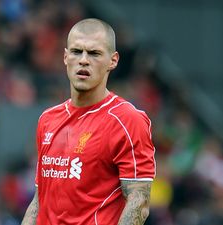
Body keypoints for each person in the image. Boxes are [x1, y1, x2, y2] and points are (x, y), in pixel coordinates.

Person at [21, 18, 156, 225]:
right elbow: (39, 201)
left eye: (94, 53)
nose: (83, 60)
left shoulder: (127, 120)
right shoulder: (47, 119)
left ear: (113, 60)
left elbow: (139, 203)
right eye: (76, 52)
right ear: (65, 57)